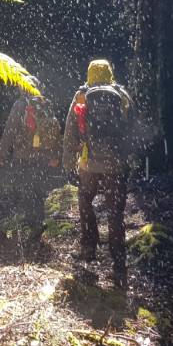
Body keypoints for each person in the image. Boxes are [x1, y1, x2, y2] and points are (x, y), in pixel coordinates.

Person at [61, 59, 133, 288]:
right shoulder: (121, 95)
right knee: (115, 213)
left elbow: (70, 132)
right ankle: (119, 264)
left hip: (88, 164)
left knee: (85, 201)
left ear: (89, 73)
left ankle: (89, 248)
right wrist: (130, 160)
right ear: (110, 73)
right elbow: (132, 130)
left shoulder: (82, 96)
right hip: (116, 165)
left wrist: (68, 164)